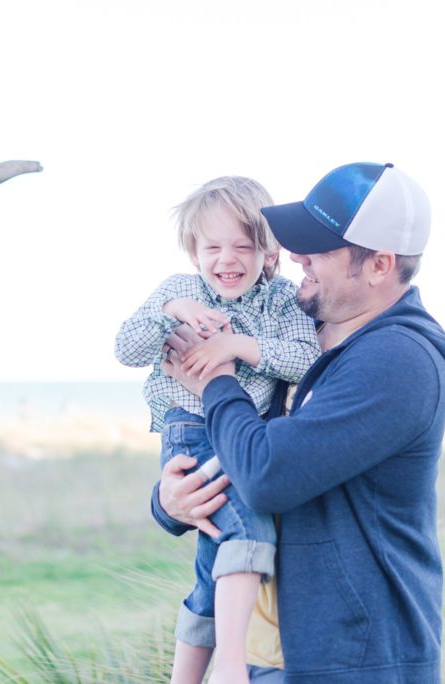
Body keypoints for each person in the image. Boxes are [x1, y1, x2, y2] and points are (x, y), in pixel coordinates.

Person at [153, 162, 445, 682]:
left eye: (319, 248)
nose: (296, 256)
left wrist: (216, 379)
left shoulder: (398, 362)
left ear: (379, 265)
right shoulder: (296, 340)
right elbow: (234, 456)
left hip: (355, 662)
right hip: (267, 660)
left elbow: (267, 473)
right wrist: (171, 503)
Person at [115, 176, 320, 683]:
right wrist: (170, 314)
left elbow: (306, 358)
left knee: (217, 559)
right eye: (213, 247)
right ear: (194, 251)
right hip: (189, 430)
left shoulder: (281, 301)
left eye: (243, 247)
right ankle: (230, 666)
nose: (227, 259)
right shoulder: (180, 291)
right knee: (247, 531)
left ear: (268, 252)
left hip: (242, 432)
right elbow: (126, 349)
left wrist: (238, 348)